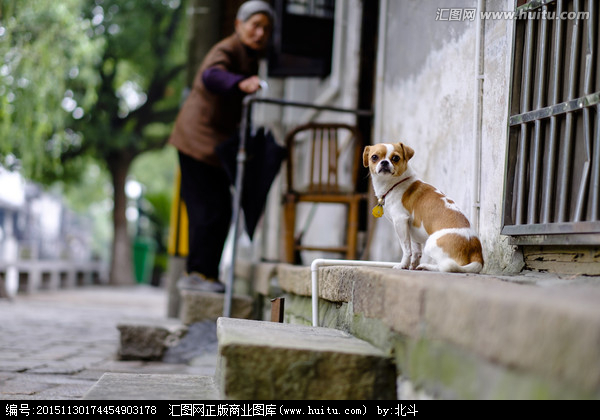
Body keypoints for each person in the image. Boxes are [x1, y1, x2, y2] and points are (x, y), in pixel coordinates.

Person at [168, 1, 275, 293]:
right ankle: (195, 274)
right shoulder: (227, 49)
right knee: (208, 209)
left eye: (266, 28)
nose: (260, 32)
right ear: (239, 25)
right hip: (196, 142)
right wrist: (240, 83)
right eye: (255, 25)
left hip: (213, 147)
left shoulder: (250, 56)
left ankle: (207, 275)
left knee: (223, 210)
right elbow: (211, 76)